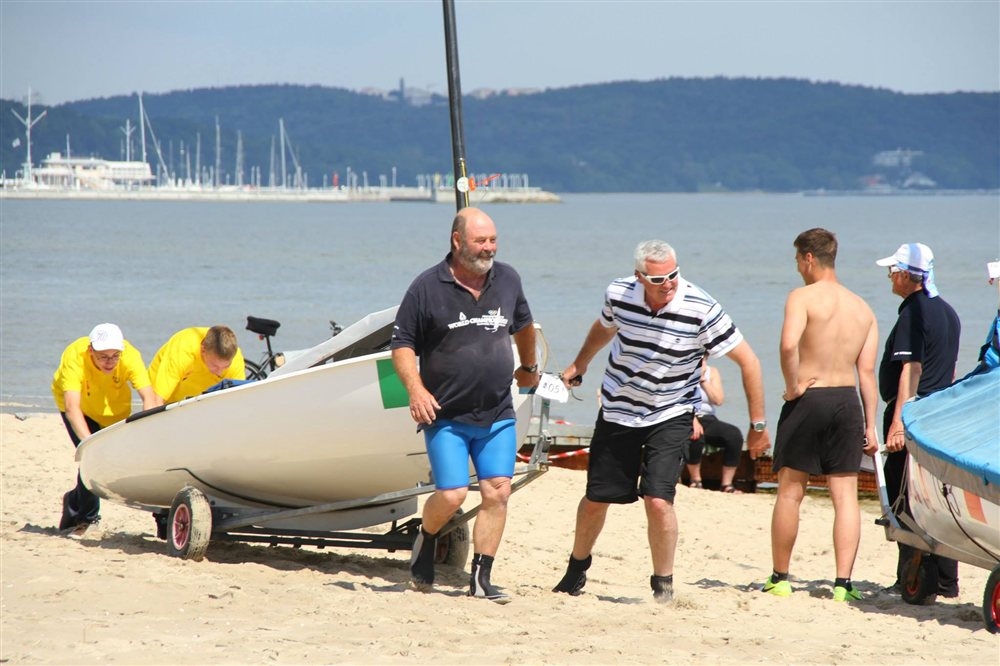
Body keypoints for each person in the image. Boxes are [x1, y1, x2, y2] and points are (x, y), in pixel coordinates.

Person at [551, 239, 770, 602]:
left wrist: (757, 425)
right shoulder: (619, 293)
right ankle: (576, 569)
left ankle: (663, 586)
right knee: (596, 498)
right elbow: (605, 327)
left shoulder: (701, 307)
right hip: (619, 408)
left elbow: (750, 361)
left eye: (673, 275)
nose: (668, 283)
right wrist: (580, 363)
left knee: (657, 499)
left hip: (671, 411)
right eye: (658, 279)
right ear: (639, 276)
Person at [390, 207, 539, 604]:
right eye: (480, 241)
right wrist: (415, 390)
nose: (489, 248)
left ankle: (481, 578)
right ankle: (426, 535)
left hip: (497, 412)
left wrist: (529, 367)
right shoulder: (426, 286)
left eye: (493, 240)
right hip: (447, 415)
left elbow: (525, 326)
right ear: (457, 241)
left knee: (498, 491)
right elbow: (401, 345)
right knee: (453, 494)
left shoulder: (508, 279)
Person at [763, 228, 879, 601]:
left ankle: (781, 578)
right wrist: (871, 424)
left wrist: (792, 387)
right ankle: (843, 584)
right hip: (847, 401)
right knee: (845, 496)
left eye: (798, 259)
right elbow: (867, 373)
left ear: (809, 258)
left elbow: (787, 345)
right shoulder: (863, 308)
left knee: (790, 492)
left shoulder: (801, 297)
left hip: (810, 397)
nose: (798, 267)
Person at [877, 242, 961, 598]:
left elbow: (911, 370)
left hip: (914, 414)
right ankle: (946, 581)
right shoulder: (947, 312)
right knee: (937, 498)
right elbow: (950, 370)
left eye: (892, 271)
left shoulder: (914, 312)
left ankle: (911, 580)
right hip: (938, 413)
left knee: (904, 497)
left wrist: (898, 422)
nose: (889, 277)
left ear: (906, 275)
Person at [52, 323, 158, 532]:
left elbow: (149, 397)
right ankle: (88, 519)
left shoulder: (130, 356)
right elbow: (72, 407)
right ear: (91, 350)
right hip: (80, 410)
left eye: (115, 356)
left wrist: (146, 430)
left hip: (114, 410)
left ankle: (73, 502)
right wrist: (89, 444)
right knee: (91, 460)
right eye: (103, 357)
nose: (110, 362)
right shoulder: (75, 356)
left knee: (107, 463)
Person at [685, 355, 746, 493]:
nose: (701, 361)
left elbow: (718, 400)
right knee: (696, 436)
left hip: (708, 418)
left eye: (703, 358)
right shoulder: (682, 369)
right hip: (686, 417)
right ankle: (695, 480)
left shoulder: (712, 372)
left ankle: (727, 484)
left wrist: (703, 381)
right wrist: (692, 418)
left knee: (734, 435)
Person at [147, 325, 246, 405]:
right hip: (169, 395)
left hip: (202, 397)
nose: (220, 372)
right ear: (203, 349)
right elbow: (156, 401)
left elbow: (240, 400)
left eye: (226, 366)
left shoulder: (236, 359)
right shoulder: (183, 351)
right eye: (215, 366)